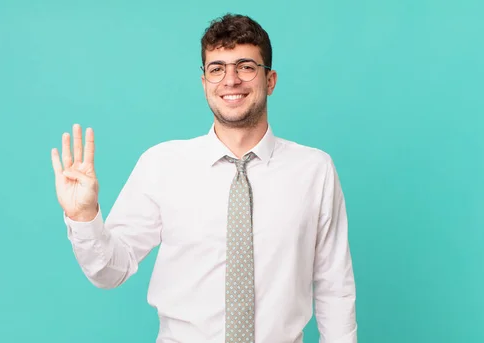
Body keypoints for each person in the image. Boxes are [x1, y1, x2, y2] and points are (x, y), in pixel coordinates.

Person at [50, 13, 357, 343]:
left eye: (246, 66)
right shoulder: (161, 165)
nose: (231, 80)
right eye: (217, 69)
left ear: (270, 80)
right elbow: (110, 271)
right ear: (204, 83)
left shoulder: (314, 170)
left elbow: (333, 288)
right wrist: (83, 217)